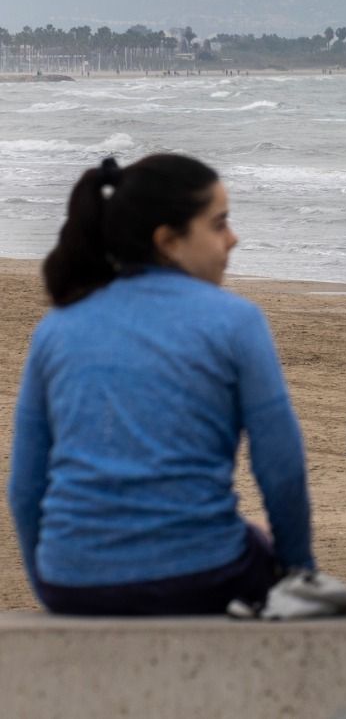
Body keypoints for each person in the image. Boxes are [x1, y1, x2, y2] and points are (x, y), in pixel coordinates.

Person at [7, 155, 316, 615]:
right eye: (219, 224)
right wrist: (298, 573)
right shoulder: (236, 322)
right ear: (169, 241)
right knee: (254, 541)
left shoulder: (57, 327)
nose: (233, 238)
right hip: (204, 577)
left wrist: (52, 583)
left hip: (71, 583)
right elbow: (281, 468)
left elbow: (25, 487)